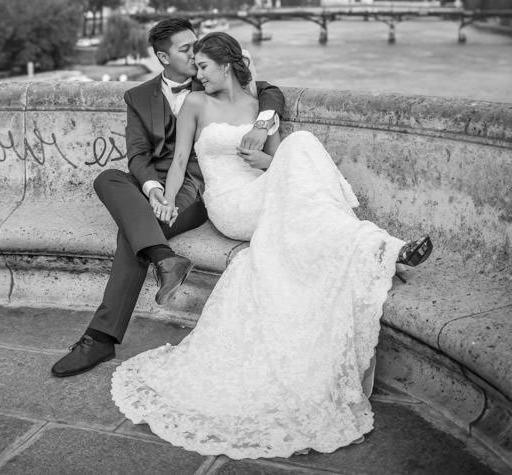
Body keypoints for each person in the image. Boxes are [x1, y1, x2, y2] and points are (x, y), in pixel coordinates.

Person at [111, 31, 433, 459]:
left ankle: (385, 251)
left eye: (204, 66)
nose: (198, 74)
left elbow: (279, 161)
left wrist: (263, 157)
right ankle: (384, 250)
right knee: (308, 183)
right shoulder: (195, 104)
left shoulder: (257, 106)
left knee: (301, 146)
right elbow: (181, 158)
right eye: (196, 66)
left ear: (226, 65)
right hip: (232, 204)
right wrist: (167, 200)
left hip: (265, 189)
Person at [51, 18, 286, 377]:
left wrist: (263, 120)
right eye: (186, 49)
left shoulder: (210, 78)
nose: (196, 53)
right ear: (163, 57)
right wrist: (155, 190)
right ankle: (164, 257)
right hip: (157, 185)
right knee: (109, 178)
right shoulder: (138, 96)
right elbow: (138, 155)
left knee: (131, 232)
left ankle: (100, 337)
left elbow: (268, 91)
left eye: (198, 46)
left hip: (196, 189)